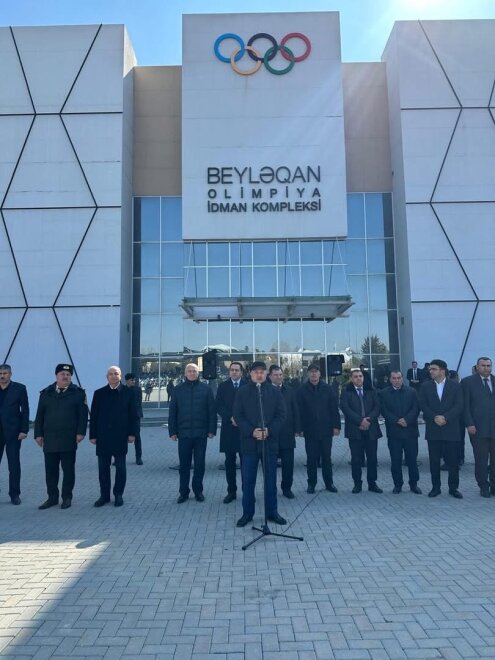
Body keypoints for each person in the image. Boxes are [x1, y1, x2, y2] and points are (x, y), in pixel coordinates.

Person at [233, 361, 286, 527]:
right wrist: (251, 431)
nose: (259, 374)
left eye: (262, 371)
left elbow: (281, 415)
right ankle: (247, 513)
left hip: (269, 443)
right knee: (248, 481)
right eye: (256, 371)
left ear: (266, 374)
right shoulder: (242, 392)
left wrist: (269, 430)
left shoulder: (274, 392)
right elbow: (237, 415)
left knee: (270, 481)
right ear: (250, 374)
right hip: (249, 443)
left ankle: (272, 512)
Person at [34, 364, 88, 509]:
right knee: (50, 471)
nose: (65, 377)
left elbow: (83, 416)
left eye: (68, 374)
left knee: (68, 470)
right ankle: (52, 497)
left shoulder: (78, 393)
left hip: (68, 437)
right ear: (56, 376)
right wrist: (38, 434)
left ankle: (67, 497)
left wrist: (81, 432)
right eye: (62, 374)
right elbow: (39, 416)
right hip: (50, 438)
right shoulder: (46, 393)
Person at [168, 363, 216, 503]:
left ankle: (198, 491)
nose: (192, 373)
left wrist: (211, 430)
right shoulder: (177, 390)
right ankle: (183, 492)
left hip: (201, 434)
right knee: (184, 466)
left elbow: (211, 411)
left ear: (198, 373)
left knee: (200, 465)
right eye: (189, 371)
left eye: (194, 371)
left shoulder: (206, 389)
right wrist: (172, 431)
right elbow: (173, 412)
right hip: (183, 434)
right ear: (185, 373)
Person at [90, 367, 137, 507]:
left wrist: (132, 433)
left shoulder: (129, 393)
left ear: (120, 376)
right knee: (103, 469)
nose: (113, 376)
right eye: (110, 374)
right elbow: (94, 416)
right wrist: (93, 435)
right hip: (103, 436)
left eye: (116, 374)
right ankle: (104, 496)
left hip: (120, 436)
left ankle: (118, 494)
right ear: (107, 377)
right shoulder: (99, 393)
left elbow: (133, 415)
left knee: (121, 468)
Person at [419, 359, 464, 499]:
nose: (430, 371)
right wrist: (434, 417)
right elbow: (423, 404)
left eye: (434, 369)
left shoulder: (455, 386)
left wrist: (446, 417)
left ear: (442, 370)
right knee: (434, 461)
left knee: (453, 461)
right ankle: (435, 488)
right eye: (430, 369)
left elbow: (459, 404)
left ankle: (453, 488)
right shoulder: (425, 386)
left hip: (451, 429)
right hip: (433, 429)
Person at [297, 363, 340, 494]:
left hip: (326, 429)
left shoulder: (328, 389)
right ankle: (311, 484)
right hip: (310, 430)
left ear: (320, 374)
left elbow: (334, 408)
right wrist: (299, 428)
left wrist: (336, 426)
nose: (314, 374)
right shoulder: (302, 390)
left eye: (316, 371)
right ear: (308, 374)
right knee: (311, 459)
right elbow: (299, 411)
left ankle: (329, 483)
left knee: (326, 458)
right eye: (311, 372)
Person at [340, 368, 383, 494]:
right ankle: (357, 484)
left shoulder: (371, 391)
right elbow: (345, 409)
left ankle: (372, 483)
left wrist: (368, 420)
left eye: (360, 376)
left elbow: (377, 407)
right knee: (356, 459)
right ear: (351, 379)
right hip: (355, 430)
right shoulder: (346, 392)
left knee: (372, 458)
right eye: (355, 376)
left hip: (371, 429)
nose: (358, 378)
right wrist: (360, 421)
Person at [380, 370, 421, 494]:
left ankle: (414, 484)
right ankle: (397, 485)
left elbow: (416, 408)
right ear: (390, 379)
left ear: (402, 379)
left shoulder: (412, 391)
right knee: (395, 461)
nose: (396, 380)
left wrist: (406, 420)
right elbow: (384, 410)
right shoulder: (383, 393)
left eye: (398, 378)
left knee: (412, 460)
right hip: (394, 432)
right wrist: (397, 420)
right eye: (394, 378)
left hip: (410, 432)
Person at [462, 357, 495, 497]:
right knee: (481, 460)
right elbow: (465, 405)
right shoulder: (468, 382)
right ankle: (483, 486)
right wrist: (469, 423)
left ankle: (494, 486)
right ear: (477, 367)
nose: (486, 368)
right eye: (483, 365)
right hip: (478, 428)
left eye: (488, 365)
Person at [215, 361, 246, 503]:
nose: (234, 372)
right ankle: (231, 492)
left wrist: (240, 419)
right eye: (232, 370)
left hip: (245, 430)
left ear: (241, 372)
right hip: (229, 429)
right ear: (229, 372)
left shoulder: (248, 385)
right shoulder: (222, 386)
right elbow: (218, 405)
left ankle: (247, 492)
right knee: (229, 463)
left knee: (247, 463)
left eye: (237, 370)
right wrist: (230, 417)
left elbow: (252, 405)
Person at [269, 365, 302, 499]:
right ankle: (271, 490)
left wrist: (298, 429)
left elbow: (296, 410)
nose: (279, 377)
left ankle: (287, 489)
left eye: (280, 375)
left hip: (287, 434)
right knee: (270, 466)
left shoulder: (290, 391)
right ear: (270, 376)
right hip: (271, 435)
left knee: (288, 465)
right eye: (276, 375)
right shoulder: (265, 390)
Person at [0, 364, 29, 505]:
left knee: (13, 464)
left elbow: (25, 410)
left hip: (13, 432)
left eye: (5, 373)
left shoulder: (19, 388)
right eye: (0, 373)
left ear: (10, 374)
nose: (2, 376)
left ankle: (14, 494)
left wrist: (24, 430)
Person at [125, 372, 143, 465]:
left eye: (134, 380)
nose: (134, 381)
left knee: (137, 437)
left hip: (135, 417)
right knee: (121, 438)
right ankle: (119, 457)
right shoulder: (122, 390)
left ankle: (138, 458)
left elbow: (138, 403)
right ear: (127, 381)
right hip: (124, 417)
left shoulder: (138, 389)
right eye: (132, 380)